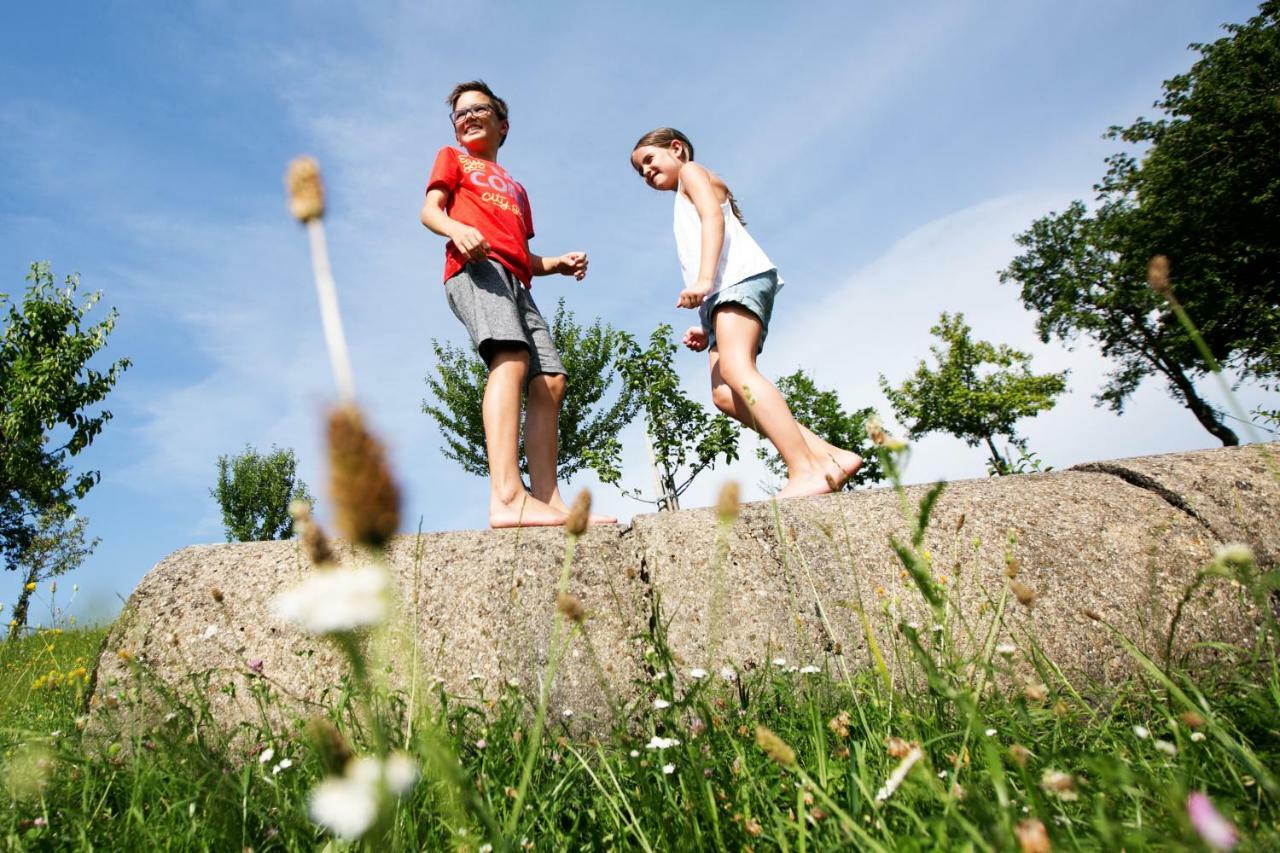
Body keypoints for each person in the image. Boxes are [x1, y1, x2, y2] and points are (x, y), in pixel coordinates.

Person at [630, 128, 861, 498]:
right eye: (639, 171)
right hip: (720, 294)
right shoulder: (681, 193)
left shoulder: (692, 172)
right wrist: (708, 324)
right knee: (724, 394)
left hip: (736, 282)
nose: (645, 172)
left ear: (676, 149)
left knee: (738, 370)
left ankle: (804, 468)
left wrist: (705, 282)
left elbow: (712, 219)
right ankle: (828, 457)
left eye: (648, 160)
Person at [422, 81, 610, 527]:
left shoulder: (516, 188)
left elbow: (522, 255)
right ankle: (507, 495)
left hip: (517, 281)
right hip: (476, 268)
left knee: (551, 380)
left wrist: (557, 263)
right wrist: (454, 229)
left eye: (478, 110)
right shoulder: (453, 159)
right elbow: (429, 210)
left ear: (502, 124)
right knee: (510, 357)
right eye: (459, 114)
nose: (467, 117)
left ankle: (550, 500)